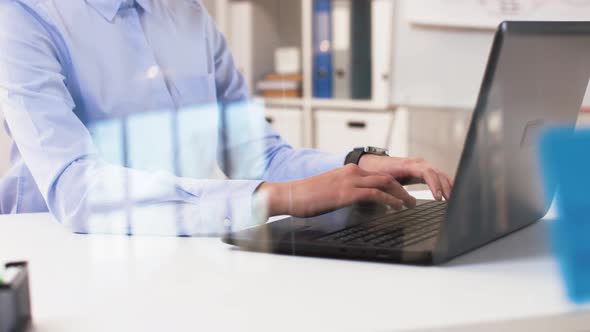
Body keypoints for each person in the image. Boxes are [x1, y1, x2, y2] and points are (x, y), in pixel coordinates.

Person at [0, 0, 452, 235]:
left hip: (186, 256)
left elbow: (259, 156)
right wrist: (274, 198)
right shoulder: (21, 17)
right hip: (66, 267)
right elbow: (77, 189)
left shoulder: (187, 13)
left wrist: (357, 165)